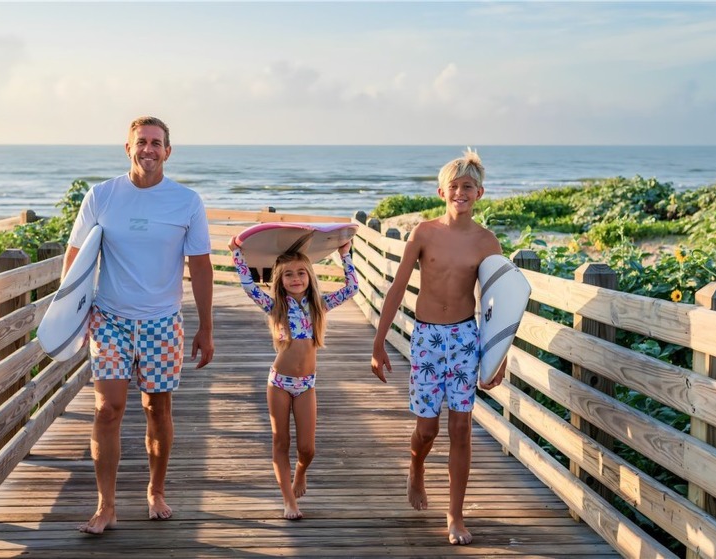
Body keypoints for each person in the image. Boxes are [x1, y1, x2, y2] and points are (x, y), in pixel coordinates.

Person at [64, 116, 215, 534]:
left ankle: (156, 491)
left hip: (162, 322)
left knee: (157, 409)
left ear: (168, 151)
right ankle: (106, 505)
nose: (149, 149)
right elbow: (75, 257)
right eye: (141, 142)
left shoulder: (186, 201)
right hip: (109, 318)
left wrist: (206, 327)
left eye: (156, 142)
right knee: (107, 409)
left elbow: (201, 267)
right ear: (127, 147)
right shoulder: (101, 195)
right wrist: (70, 318)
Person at [370, 149, 505, 545]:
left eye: (468, 187)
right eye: (454, 186)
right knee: (426, 430)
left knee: (461, 428)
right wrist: (378, 342)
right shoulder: (424, 233)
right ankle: (416, 466)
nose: (460, 192)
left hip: (464, 338)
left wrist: (500, 357)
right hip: (427, 338)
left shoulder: (487, 242)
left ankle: (455, 515)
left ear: (479, 193)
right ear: (441, 192)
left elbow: (497, 303)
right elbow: (397, 288)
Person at [228, 236, 359, 520]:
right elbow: (249, 286)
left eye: (301, 273)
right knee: (281, 441)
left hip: (306, 385)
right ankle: (289, 502)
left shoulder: (319, 306)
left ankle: (300, 471)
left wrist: (344, 254)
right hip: (279, 383)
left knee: (307, 449)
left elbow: (352, 288)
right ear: (280, 280)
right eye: (288, 274)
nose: (296, 278)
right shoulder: (276, 306)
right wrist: (237, 253)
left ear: (310, 276)